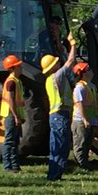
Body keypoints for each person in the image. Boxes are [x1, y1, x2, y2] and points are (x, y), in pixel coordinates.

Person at [41, 38, 78, 182]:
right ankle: (55, 175)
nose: (58, 63)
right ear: (52, 66)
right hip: (60, 114)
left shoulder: (50, 79)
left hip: (56, 115)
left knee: (56, 145)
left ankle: (54, 174)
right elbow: (70, 61)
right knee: (61, 146)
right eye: (56, 62)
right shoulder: (58, 75)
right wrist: (73, 44)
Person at [0, 54, 25, 173]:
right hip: (11, 114)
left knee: (15, 141)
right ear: (12, 68)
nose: (21, 68)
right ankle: (7, 165)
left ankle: (15, 166)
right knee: (10, 141)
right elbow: (11, 100)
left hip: (14, 114)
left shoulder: (16, 81)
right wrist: (16, 116)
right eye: (18, 66)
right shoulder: (11, 82)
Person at [71, 61, 98, 168]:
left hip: (90, 119)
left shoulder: (91, 86)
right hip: (81, 120)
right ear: (83, 73)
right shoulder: (80, 87)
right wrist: (84, 119)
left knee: (87, 143)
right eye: (89, 70)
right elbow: (80, 104)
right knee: (80, 143)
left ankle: (85, 163)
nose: (91, 71)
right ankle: (80, 165)